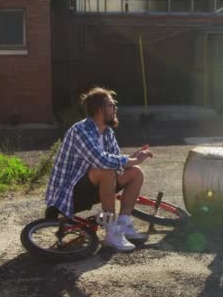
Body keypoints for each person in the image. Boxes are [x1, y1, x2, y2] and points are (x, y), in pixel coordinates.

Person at [45, 87, 152, 251]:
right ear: (99, 110)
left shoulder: (107, 132)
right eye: (111, 105)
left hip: (91, 186)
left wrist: (133, 158)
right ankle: (111, 233)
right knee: (106, 170)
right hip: (67, 195)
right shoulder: (80, 130)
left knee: (136, 172)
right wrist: (131, 160)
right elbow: (102, 160)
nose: (115, 108)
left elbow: (116, 160)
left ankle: (123, 224)